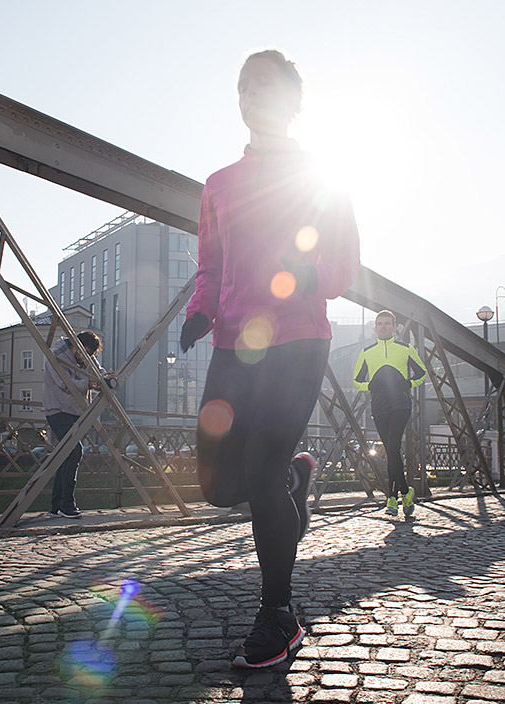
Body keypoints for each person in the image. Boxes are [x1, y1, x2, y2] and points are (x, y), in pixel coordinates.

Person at [180, 49, 360, 669]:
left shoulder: (322, 176)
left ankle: (279, 615)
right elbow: (211, 266)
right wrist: (200, 312)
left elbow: (345, 265)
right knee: (217, 486)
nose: (251, 94)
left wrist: (312, 274)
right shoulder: (218, 184)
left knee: (259, 473)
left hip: (299, 341)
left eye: (263, 85)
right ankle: (295, 480)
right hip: (234, 345)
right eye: (243, 86)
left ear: (293, 100)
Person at [352, 310, 427, 519]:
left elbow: (422, 373)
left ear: (394, 327)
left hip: (400, 405)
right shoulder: (367, 352)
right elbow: (357, 381)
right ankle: (404, 493)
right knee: (391, 451)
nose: (383, 327)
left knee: (392, 447)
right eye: (379, 324)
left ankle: (392, 498)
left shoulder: (405, 349)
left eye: (387, 323)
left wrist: (408, 384)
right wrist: (370, 386)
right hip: (379, 407)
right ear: (375, 328)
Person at [42, 330, 115, 518]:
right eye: (84, 353)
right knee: (74, 452)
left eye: (89, 355)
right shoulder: (56, 355)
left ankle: (56, 506)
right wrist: (89, 384)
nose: (85, 358)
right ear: (76, 345)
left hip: (75, 410)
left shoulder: (85, 355)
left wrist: (105, 379)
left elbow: (97, 372)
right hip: (57, 409)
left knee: (65, 456)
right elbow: (63, 383)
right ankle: (67, 504)